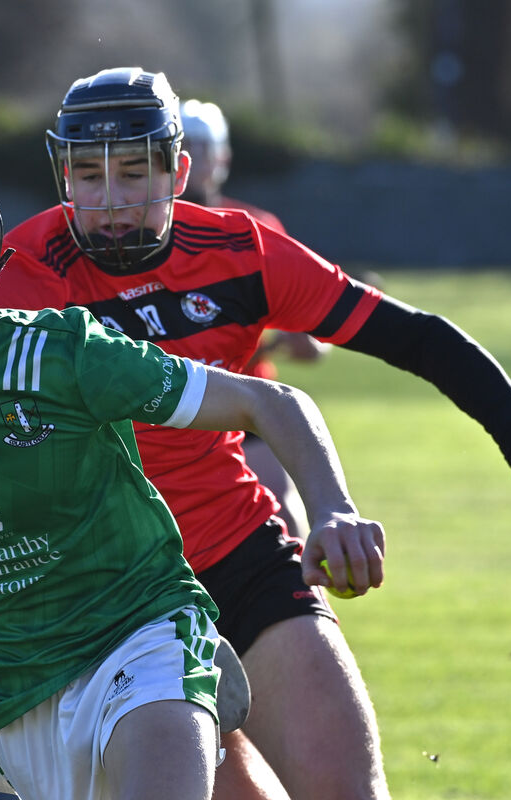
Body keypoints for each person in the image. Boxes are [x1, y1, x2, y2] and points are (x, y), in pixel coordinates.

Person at [0, 67, 511, 800]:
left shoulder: (243, 252)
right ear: (63, 176)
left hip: (237, 552)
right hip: (101, 592)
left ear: (179, 171)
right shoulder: (17, 278)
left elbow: (416, 337)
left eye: (134, 174)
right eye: (87, 177)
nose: (109, 203)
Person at [0, 163, 387, 800]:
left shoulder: (63, 357)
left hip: (137, 633)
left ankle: (189, 674)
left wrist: (333, 510)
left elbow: (272, 402)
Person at [181, 97, 331, 543]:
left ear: (222, 156)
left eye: (203, 148)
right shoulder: (141, 233)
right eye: (184, 146)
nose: (194, 159)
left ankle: (307, 602)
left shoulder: (254, 228)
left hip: (248, 403)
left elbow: (305, 336)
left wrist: (298, 341)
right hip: (170, 408)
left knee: (284, 513)